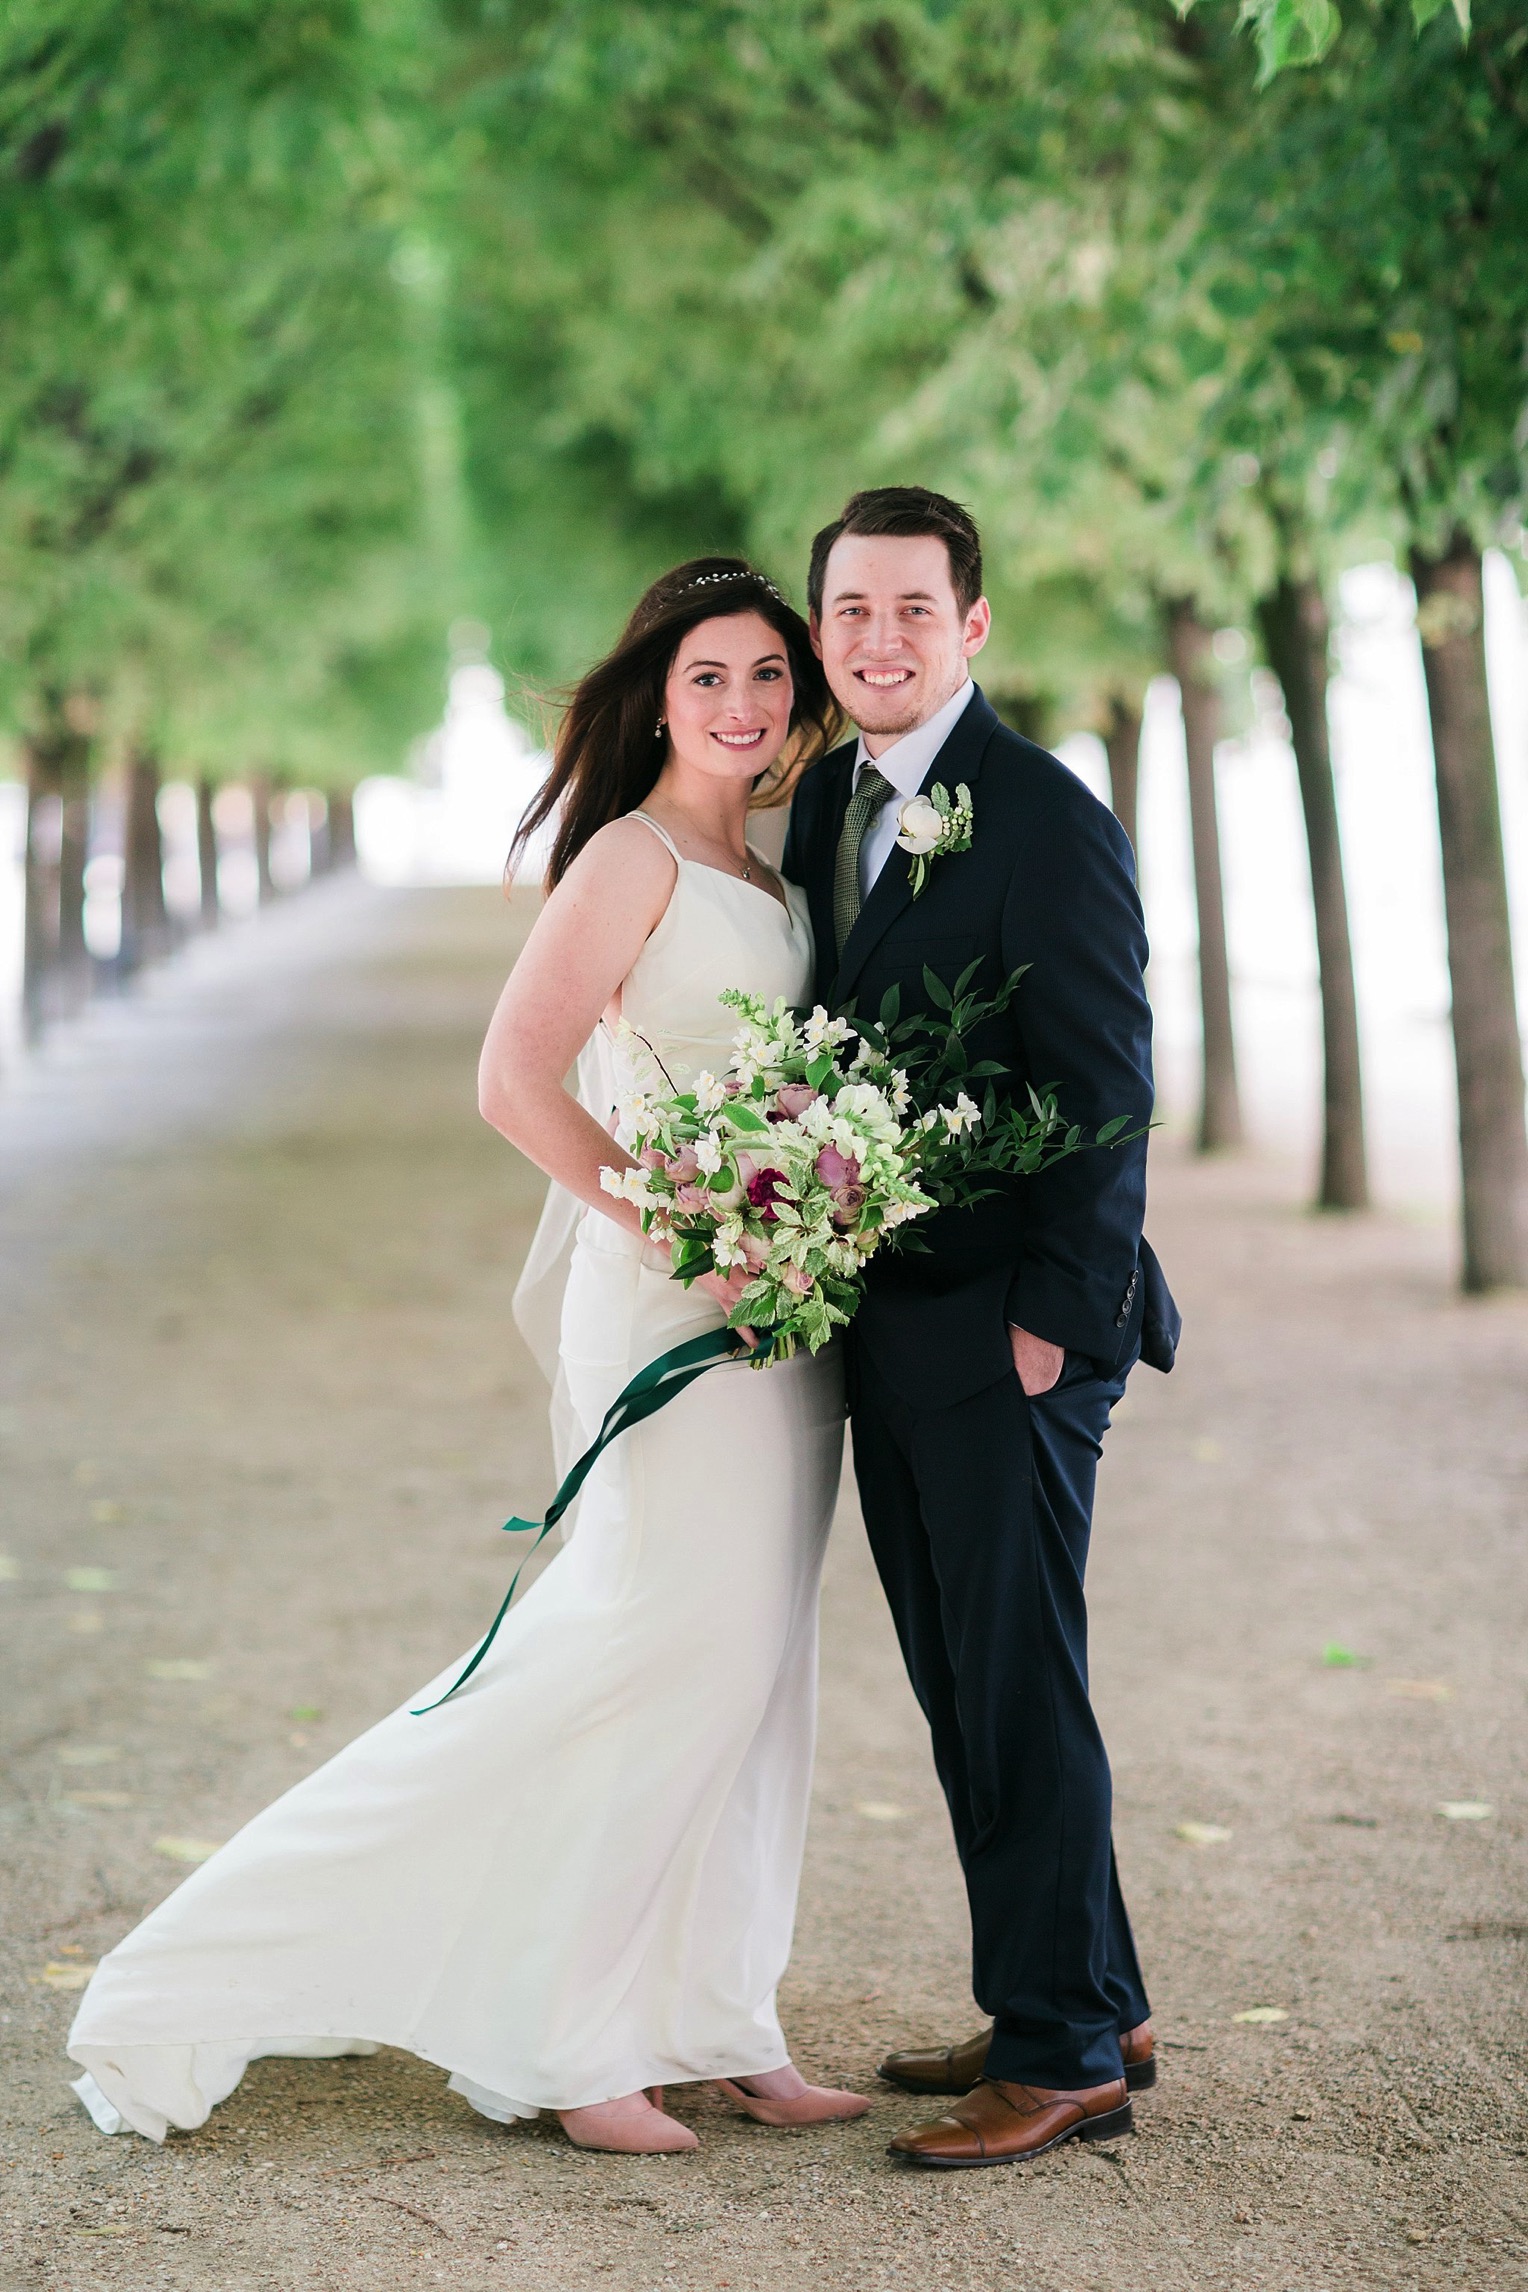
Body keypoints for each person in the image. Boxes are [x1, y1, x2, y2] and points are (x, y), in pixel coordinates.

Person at [67, 558, 870, 2155]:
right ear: (656, 690)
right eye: (710, 675)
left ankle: (720, 2014)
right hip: (670, 1296)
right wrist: (685, 1222)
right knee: (651, 1643)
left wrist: (800, 1204)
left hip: (786, 1309)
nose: (743, 705)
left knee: (759, 1663)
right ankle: (568, 2043)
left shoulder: (783, 869)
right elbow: (513, 1079)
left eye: (768, 677)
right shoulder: (628, 860)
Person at [783, 486, 1181, 2169]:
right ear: (826, 632)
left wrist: (1053, 1323)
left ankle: (1062, 2049)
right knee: (965, 1681)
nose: (880, 640)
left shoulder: (1038, 811)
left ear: (973, 627)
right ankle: (1087, 1986)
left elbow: (1109, 1086)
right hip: (895, 1320)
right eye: (852, 611)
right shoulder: (823, 805)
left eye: (911, 611)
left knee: (1014, 1684)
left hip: (1013, 1330)